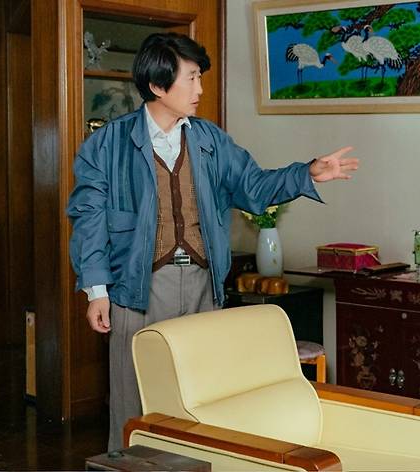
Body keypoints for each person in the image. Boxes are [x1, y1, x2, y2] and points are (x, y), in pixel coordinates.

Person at [67, 32, 358, 451]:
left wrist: (306, 173)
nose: (200, 89)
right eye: (191, 78)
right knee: (136, 399)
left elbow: (253, 186)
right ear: (157, 85)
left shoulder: (210, 140)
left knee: (203, 398)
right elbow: (89, 219)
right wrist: (97, 291)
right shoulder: (107, 145)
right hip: (137, 287)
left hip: (203, 284)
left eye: (199, 77)